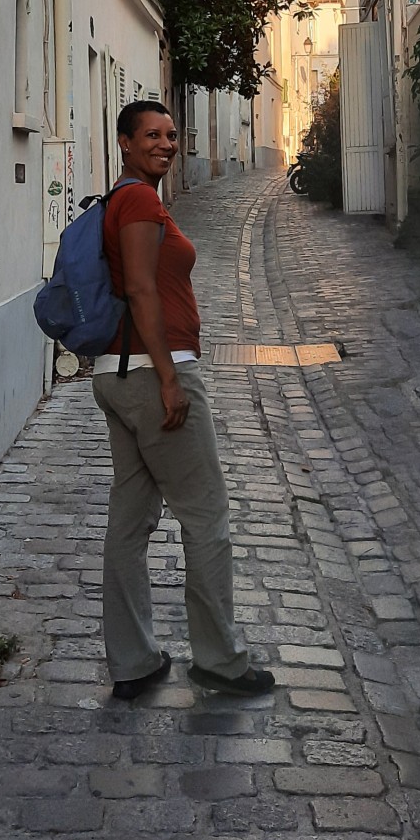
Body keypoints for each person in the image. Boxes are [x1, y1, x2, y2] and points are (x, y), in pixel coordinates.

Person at [92, 100, 275, 701]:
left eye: (172, 135)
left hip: (117, 373)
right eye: (152, 135)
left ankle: (134, 662)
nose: (166, 144)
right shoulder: (141, 201)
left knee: (131, 520)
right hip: (152, 373)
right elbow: (143, 289)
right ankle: (220, 661)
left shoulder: (123, 197)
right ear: (123, 141)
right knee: (206, 517)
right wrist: (171, 378)